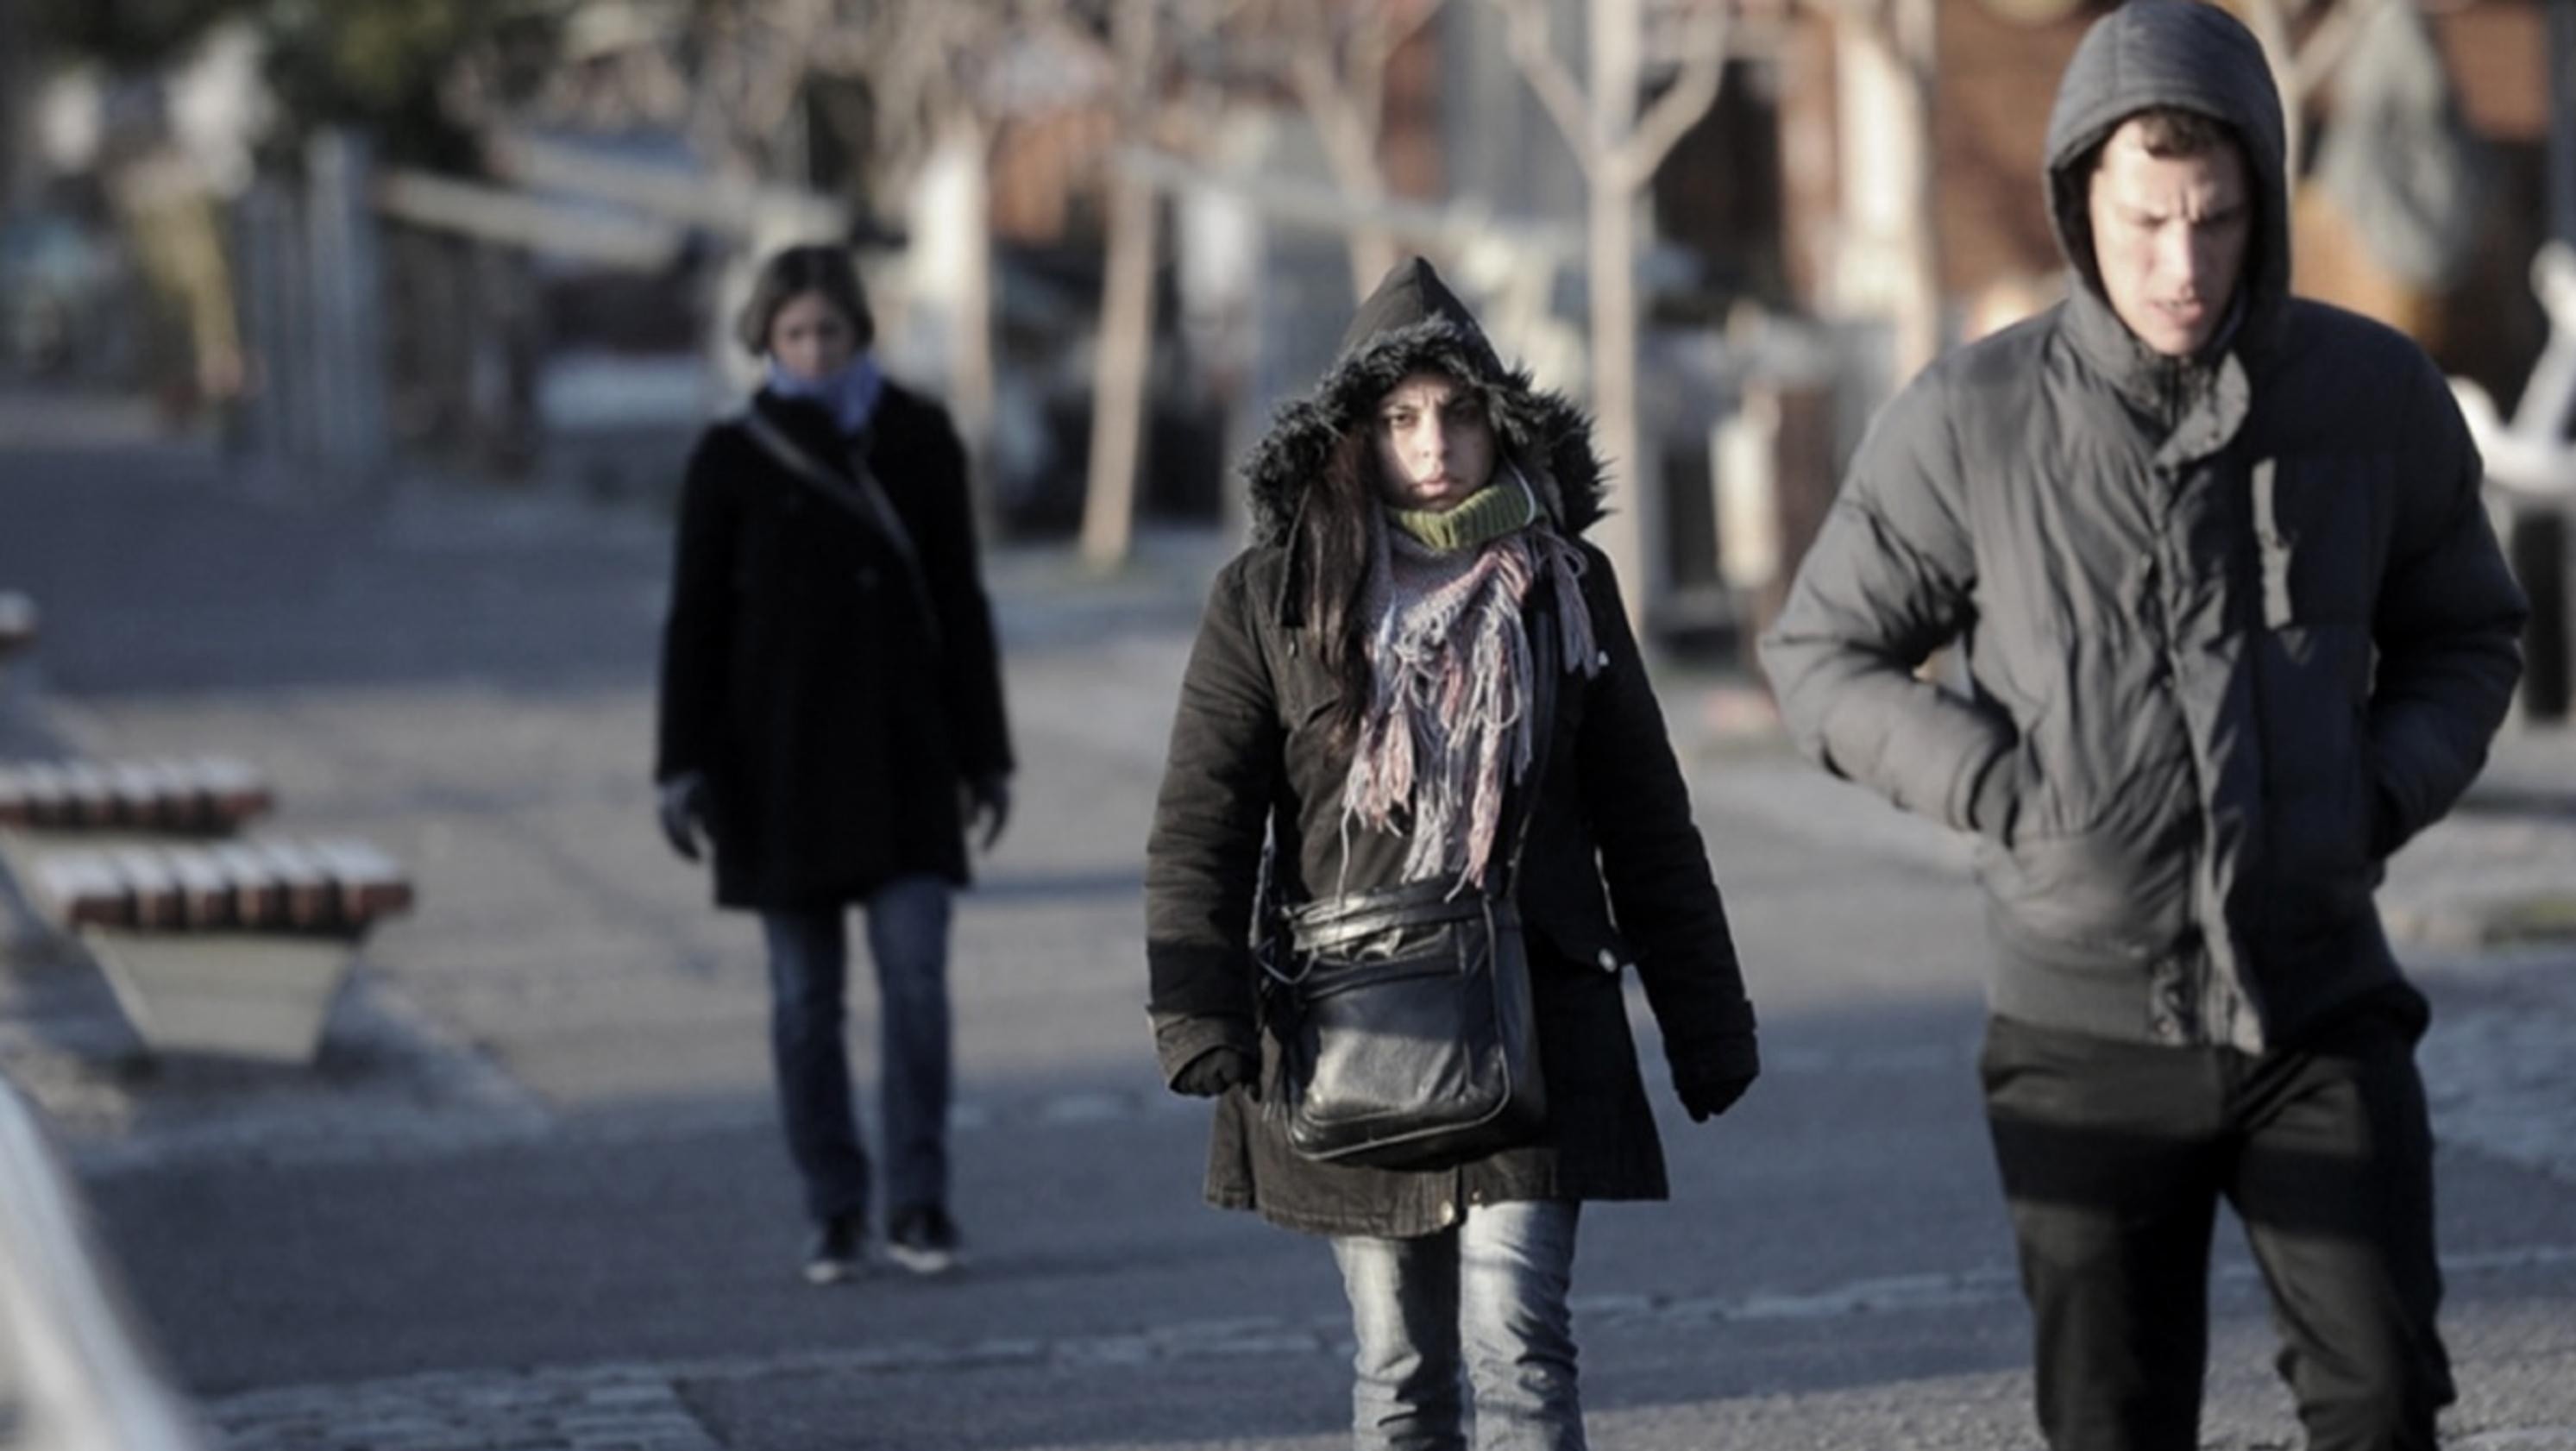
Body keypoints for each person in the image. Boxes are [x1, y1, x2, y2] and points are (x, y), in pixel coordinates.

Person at [1759, 4, 2529, 1448]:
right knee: (2112, 1421)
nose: (2181, 264)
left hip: (2318, 1006)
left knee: (2381, 1400)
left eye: (2216, 220)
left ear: (2262, 207)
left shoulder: (2370, 399)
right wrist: (2004, 790)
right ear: (2077, 205)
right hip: (2082, 1031)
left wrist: (2373, 795)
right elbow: (1820, 654)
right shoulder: (1971, 420)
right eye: (2144, 222)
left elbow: (2468, 632)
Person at [1145, 256, 1760, 1451]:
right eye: (1399, 418)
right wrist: (1197, 1010)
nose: (1432, 443)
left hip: (1539, 1013)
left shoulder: (1565, 587)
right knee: (1400, 1368)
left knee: (1519, 1338)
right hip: (1353, 1027)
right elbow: (1202, 816)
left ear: (1500, 421)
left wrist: (1707, 1024)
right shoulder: (1270, 597)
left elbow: (1646, 820)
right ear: (1354, 436)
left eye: (1459, 413)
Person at [655, 243, 1013, 1285]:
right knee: (805, 1000)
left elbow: (961, 602)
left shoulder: (916, 436)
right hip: (775, 772)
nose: (813, 351)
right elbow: (693, 627)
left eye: (831, 332)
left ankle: (919, 1200)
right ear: (766, 339)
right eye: (794, 334)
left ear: (861, 333)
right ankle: (833, 1205)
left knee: (916, 981)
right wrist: (681, 765)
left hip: (907, 759)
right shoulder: (729, 457)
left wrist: (985, 755)